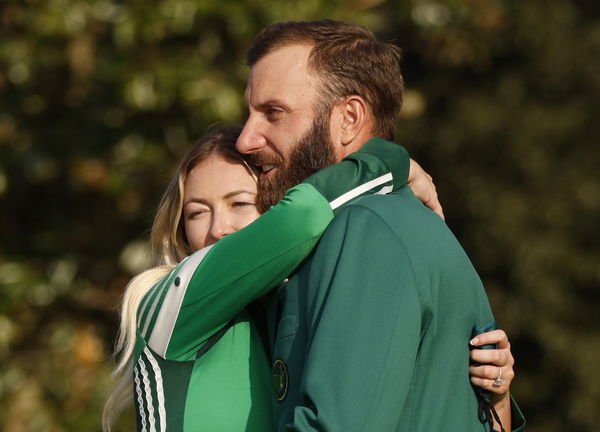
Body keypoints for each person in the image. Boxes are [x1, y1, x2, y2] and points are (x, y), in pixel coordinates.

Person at [236, 19, 525, 431]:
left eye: (273, 113)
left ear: (349, 118)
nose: (246, 140)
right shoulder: (393, 224)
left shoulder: (366, 230)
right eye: (249, 113)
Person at [103, 126, 434, 430]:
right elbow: (302, 218)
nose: (218, 229)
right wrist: (394, 162)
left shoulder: (288, 313)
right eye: (197, 212)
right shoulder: (170, 301)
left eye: (239, 203)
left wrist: (480, 384)